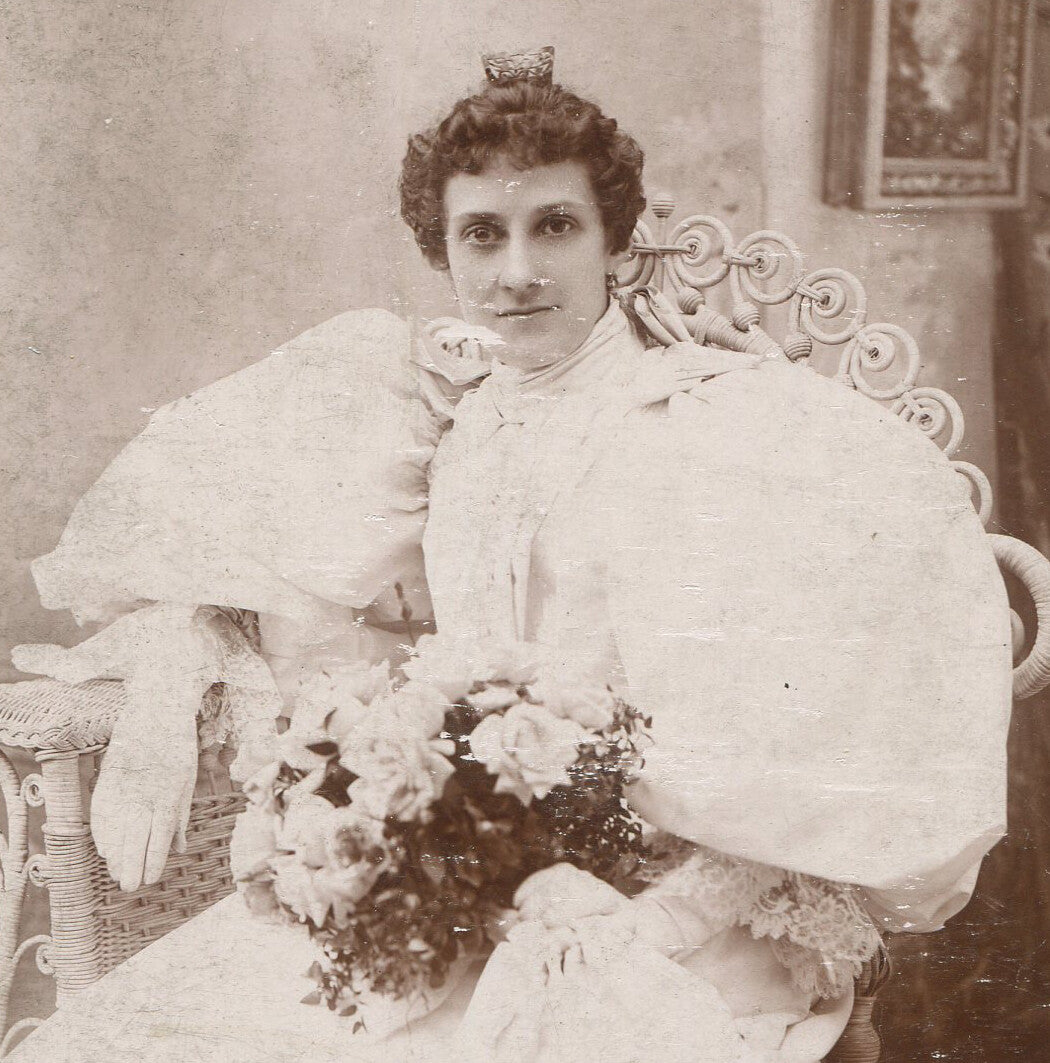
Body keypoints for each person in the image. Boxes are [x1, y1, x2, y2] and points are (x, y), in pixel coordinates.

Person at [13, 48, 1012, 1062]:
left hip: (677, 907)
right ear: (443, 251)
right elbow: (258, 584)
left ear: (616, 242)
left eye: (556, 226)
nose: (518, 272)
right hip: (481, 883)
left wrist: (647, 922)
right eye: (482, 234)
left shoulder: (704, 429)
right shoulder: (452, 429)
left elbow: (774, 764)